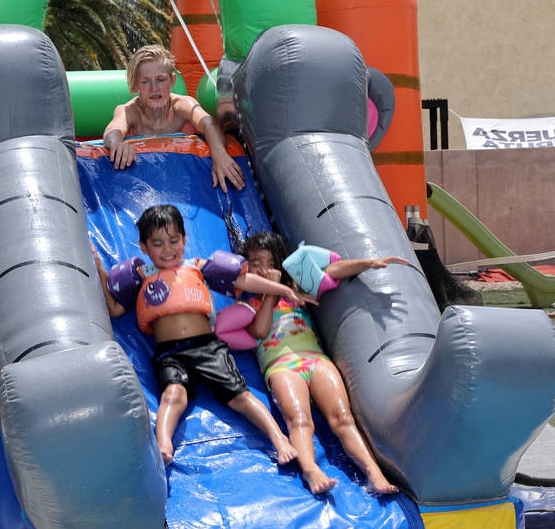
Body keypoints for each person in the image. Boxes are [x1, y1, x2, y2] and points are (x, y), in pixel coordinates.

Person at [94, 204, 311, 465]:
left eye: (174, 241)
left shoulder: (197, 266)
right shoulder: (141, 275)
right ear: (143, 247)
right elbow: (116, 309)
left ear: (185, 239)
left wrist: (279, 289)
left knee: (240, 395)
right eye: (158, 243)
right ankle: (164, 444)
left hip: (207, 347)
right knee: (173, 395)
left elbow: (242, 282)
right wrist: (100, 269)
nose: (168, 249)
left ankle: (278, 439)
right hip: (170, 353)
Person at [239, 231, 407, 496]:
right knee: (300, 420)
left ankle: (374, 472)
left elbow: (332, 271)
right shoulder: (247, 302)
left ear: (278, 264)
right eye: (253, 263)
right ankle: (310, 469)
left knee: (342, 417)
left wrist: (369, 263)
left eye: (265, 262)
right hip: (281, 366)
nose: (260, 270)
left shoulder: (296, 290)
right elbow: (259, 331)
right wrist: (270, 294)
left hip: (315, 359)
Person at [102, 45, 245, 192]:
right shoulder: (130, 111)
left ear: (172, 81)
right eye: (145, 82)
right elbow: (114, 129)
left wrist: (219, 153)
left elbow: (208, 123)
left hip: (185, 181)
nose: (154, 88)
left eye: (161, 80)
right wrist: (117, 143)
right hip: (144, 183)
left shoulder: (182, 106)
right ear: (135, 86)